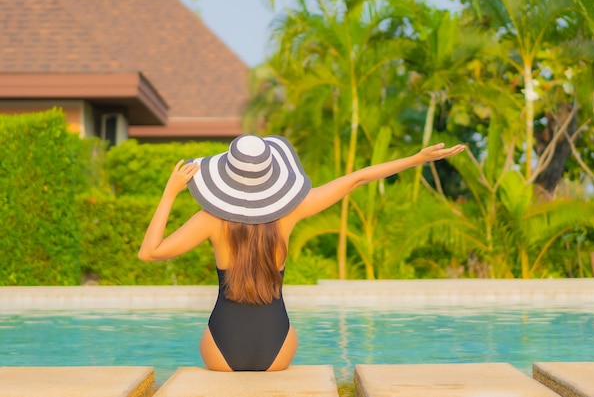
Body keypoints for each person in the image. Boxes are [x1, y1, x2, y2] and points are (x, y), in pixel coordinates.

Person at [138, 134, 465, 372]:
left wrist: (169, 194)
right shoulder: (290, 213)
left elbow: (149, 252)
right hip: (277, 349)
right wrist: (417, 159)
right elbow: (356, 179)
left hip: (220, 350)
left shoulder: (210, 220)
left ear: (227, 175)